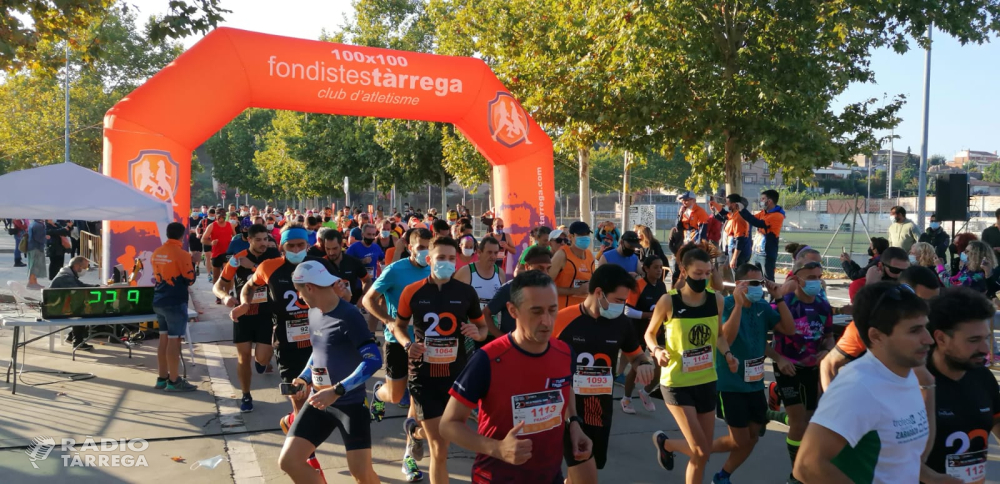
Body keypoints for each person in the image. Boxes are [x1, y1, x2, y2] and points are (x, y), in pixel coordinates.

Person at [439, 270, 592, 483]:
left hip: (550, 476)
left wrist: (574, 423)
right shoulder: (487, 359)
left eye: (552, 310)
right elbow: (448, 425)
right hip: (496, 478)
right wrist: (497, 448)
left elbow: (565, 387)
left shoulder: (565, 353)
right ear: (513, 311)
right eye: (536, 311)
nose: (547, 321)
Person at [794, 282, 932, 483]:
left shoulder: (907, 374)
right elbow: (807, 466)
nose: (928, 339)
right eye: (914, 330)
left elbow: (901, 458)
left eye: (925, 327)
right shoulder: (858, 387)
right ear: (876, 336)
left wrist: (934, 478)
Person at [390, 237, 489, 484]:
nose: (447, 263)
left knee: (447, 433)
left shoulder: (466, 292)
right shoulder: (412, 291)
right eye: (441, 258)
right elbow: (399, 326)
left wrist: (478, 333)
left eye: (451, 258)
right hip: (423, 376)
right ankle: (420, 432)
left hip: (456, 376)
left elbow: (483, 327)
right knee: (440, 451)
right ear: (429, 260)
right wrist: (407, 344)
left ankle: (415, 431)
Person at [278, 261, 381, 484]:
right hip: (318, 401)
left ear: (310, 287)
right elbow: (318, 351)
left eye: (300, 291)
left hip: (350, 405)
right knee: (289, 461)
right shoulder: (314, 312)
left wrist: (337, 390)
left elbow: (373, 360)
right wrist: (304, 377)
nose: (300, 297)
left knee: (362, 474)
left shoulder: (349, 315)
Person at [553, 264, 655, 483]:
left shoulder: (622, 323)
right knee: (581, 472)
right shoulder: (561, 319)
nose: (623, 306)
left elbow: (635, 354)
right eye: (619, 301)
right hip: (562, 409)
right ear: (599, 293)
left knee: (588, 469)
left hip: (598, 410)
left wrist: (644, 363)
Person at [648, 247, 739, 484]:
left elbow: (719, 336)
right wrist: (657, 350)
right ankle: (666, 444)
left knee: (703, 453)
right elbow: (649, 334)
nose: (703, 278)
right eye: (698, 273)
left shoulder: (716, 300)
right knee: (700, 451)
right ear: (684, 270)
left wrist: (728, 354)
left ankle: (666, 444)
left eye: (707, 273)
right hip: (677, 382)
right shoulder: (669, 301)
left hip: (706, 379)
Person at [710, 264, 796, 484]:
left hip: (755, 383)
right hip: (730, 384)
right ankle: (697, 450)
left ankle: (723, 476)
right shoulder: (727, 305)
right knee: (739, 440)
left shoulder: (762, 308)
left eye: (762, 282)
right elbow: (725, 339)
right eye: (755, 283)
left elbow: (788, 329)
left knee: (753, 437)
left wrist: (778, 298)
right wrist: (739, 306)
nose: (761, 288)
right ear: (740, 285)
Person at [363, 227, 432, 482]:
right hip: (397, 341)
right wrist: (389, 321)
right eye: (421, 246)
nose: (426, 251)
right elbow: (369, 299)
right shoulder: (395, 270)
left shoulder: (436, 268)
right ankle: (379, 391)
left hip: (426, 345)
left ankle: (409, 459)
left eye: (429, 246)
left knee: (417, 398)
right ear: (409, 245)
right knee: (395, 395)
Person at [763, 259, 834, 484]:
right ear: (797, 279)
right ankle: (796, 474)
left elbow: (829, 337)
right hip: (787, 367)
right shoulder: (783, 304)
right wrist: (779, 358)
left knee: (810, 419)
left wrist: (827, 350)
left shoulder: (823, 306)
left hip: (812, 368)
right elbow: (758, 336)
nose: (816, 281)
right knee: (798, 422)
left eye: (819, 276)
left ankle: (772, 414)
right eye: (810, 277)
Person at [922, 287, 1000, 483]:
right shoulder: (914, 382)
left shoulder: (983, 377)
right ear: (940, 338)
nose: (984, 349)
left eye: (986, 338)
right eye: (973, 340)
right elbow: (886, 457)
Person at [821, 265, 941, 391]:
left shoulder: (942, 317)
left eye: (934, 301)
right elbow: (829, 364)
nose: (928, 308)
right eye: (922, 301)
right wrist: (832, 403)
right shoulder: (875, 324)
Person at [213, 224, 281, 412]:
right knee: (243, 357)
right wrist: (225, 297)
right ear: (249, 240)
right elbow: (218, 286)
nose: (263, 243)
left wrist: (253, 267)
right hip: (244, 313)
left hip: (267, 314)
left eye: (265, 239)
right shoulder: (237, 259)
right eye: (258, 240)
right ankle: (246, 395)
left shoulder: (275, 257)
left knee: (262, 358)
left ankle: (262, 362)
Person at [150, 222, 198, 392]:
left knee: (163, 339)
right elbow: (190, 279)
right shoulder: (182, 254)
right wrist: (195, 263)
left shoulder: (157, 252)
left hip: (159, 299)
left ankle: (162, 378)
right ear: (182, 235)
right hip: (175, 301)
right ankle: (174, 380)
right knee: (174, 340)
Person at [621, 256, 668, 414]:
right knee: (637, 369)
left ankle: (645, 392)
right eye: (655, 267)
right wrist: (650, 315)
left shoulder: (661, 286)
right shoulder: (638, 285)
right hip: (639, 332)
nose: (659, 270)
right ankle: (626, 399)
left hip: (658, 333)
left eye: (660, 267)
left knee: (661, 367)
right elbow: (627, 310)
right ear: (646, 269)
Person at [485, 246, 553, 336]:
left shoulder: (548, 291)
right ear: (527, 267)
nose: (545, 273)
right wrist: (502, 339)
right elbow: (486, 314)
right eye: (540, 268)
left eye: (548, 269)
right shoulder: (510, 288)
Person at [455, 236, 506, 346]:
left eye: (496, 253)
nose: (493, 257)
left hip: (493, 331)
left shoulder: (500, 273)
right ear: (479, 252)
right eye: (489, 252)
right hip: (472, 331)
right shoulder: (466, 272)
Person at [308, 229, 370, 309]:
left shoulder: (353, 261)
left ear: (341, 245)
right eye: (328, 249)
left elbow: (367, 280)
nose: (331, 253)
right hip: (329, 309)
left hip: (352, 306)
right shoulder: (320, 265)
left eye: (334, 248)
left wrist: (363, 296)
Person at [49, 256, 97, 351]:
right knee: (82, 311)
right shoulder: (65, 277)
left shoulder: (69, 274)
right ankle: (77, 342)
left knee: (81, 308)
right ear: (76, 266)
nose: (86, 270)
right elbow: (78, 292)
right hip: (55, 308)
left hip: (58, 305)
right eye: (85, 267)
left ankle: (72, 337)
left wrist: (97, 286)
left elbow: (81, 285)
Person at [737, 190, 785, 282]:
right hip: (756, 252)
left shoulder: (777, 215)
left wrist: (743, 209)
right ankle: (759, 296)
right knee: (754, 280)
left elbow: (757, 223)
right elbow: (751, 218)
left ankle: (773, 296)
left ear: (769, 201)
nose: (761, 201)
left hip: (766, 254)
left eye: (763, 199)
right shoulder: (763, 213)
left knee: (768, 281)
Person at [549, 221, 596, 309]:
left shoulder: (590, 256)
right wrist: (576, 291)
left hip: (584, 311)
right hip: (563, 311)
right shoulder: (562, 255)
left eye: (587, 234)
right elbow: (545, 286)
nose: (585, 237)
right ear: (571, 237)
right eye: (581, 235)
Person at [710, 195, 751, 271]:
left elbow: (740, 239)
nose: (726, 205)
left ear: (733, 204)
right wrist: (714, 206)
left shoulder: (739, 218)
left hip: (738, 253)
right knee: (728, 273)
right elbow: (723, 213)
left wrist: (734, 258)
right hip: (731, 250)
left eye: (727, 203)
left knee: (737, 276)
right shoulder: (733, 215)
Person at [201, 209, 235, 286]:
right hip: (216, 253)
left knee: (227, 275)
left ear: (224, 216)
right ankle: (218, 296)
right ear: (216, 216)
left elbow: (235, 237)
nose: (220, 219)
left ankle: (227, 293)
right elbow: (203, 239)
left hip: (227, 253)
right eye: (218, 217)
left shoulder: (230, 225)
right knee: (216, 276)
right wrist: (211, 243)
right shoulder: (212, 226)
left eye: (222, 217)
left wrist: (233, 244)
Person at [25, 219, 47, 289]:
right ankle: (32, 282)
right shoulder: (39, 225)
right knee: (35, 266)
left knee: (32, 265)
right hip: (36, 247)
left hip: (31, 247)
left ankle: (33, 282)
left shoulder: (33, 223)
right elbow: (39, 238)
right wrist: (46, 238)